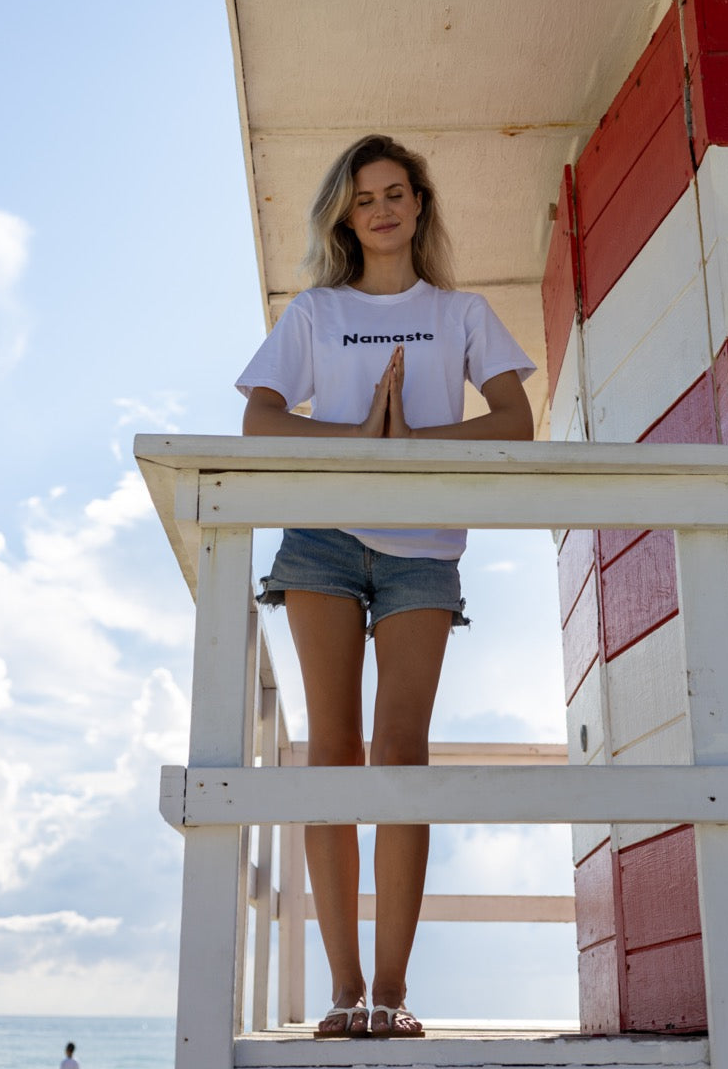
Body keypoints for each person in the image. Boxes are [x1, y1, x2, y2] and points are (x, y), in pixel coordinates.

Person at [236, 134, 535, 1037]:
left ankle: (393, 996)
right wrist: (360, 437)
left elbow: (516, 422)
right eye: (364, 197)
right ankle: (341, 991)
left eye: (396, 192)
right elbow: (259, 422)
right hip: (322, 542)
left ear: (419, 205)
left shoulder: (462, 312)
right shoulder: (315, 312)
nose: (382, 209)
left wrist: (410, 448)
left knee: (401, 757)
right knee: (331, 755)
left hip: (422, 553)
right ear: (345, 213)